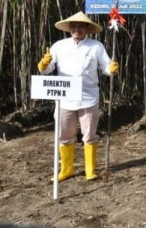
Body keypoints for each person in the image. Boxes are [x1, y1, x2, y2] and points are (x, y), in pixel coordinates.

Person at [37, 12, 119, 181]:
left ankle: (90, 170)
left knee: (89, 134)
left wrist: (111, 68)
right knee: (64, 134)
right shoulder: (59, 46)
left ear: (87, 28)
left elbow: (105, 67)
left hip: (88, 96)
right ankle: (67, 169)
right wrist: (44, 62)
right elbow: (46, 70)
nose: (77, 29)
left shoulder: (96, 46)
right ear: (69, 29)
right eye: (73, 26)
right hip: (65, 97)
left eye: (81, 26)